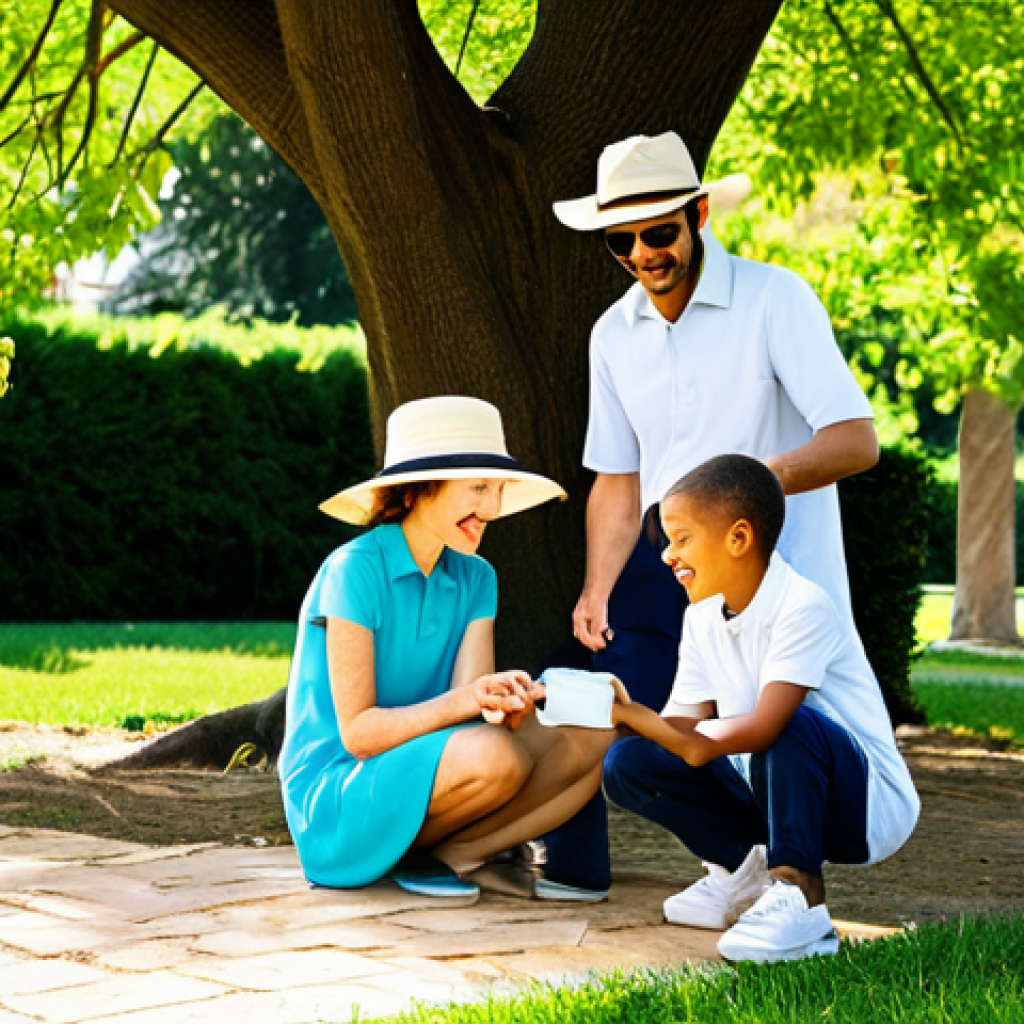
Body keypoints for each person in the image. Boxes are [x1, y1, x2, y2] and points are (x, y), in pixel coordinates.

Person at [539, 130, 881, 896]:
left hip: (767, 569)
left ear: (698, 213)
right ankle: (738, 861)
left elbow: (856, 441)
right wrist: (597, 589)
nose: (640, 253)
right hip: (664, 567)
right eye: (618, 240)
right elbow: (617, 482)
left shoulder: (775, 299)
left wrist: (749, 484)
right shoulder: (610, 335)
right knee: (633, 736)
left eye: (658, 231)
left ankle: (796, 888)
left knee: (775, 733)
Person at [278, 395, 614, 899]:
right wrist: (472, 699)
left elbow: (473, 719)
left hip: (433, 764)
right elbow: (359, 735)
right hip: (337, 798)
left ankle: (452, 854)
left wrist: (512, 699)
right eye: (479, 487)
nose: (494, 508)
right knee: (497, 760)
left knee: (594, 733)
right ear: (418, 489)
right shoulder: (353, 571)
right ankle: (421, 853)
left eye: (498, 489)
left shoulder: (478, 577)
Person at [603, 454, 919, 961]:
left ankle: (801, 896)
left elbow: (764, 728)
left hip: (861, 806)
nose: (667, 556)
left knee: (788, 727)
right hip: (767, 783)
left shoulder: (802, 605)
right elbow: (679, 727)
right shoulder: (702, 617)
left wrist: (651, 725)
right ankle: (744, 876)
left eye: (681, 539)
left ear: (738, 537)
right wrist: (615, 712)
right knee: (630, 763)